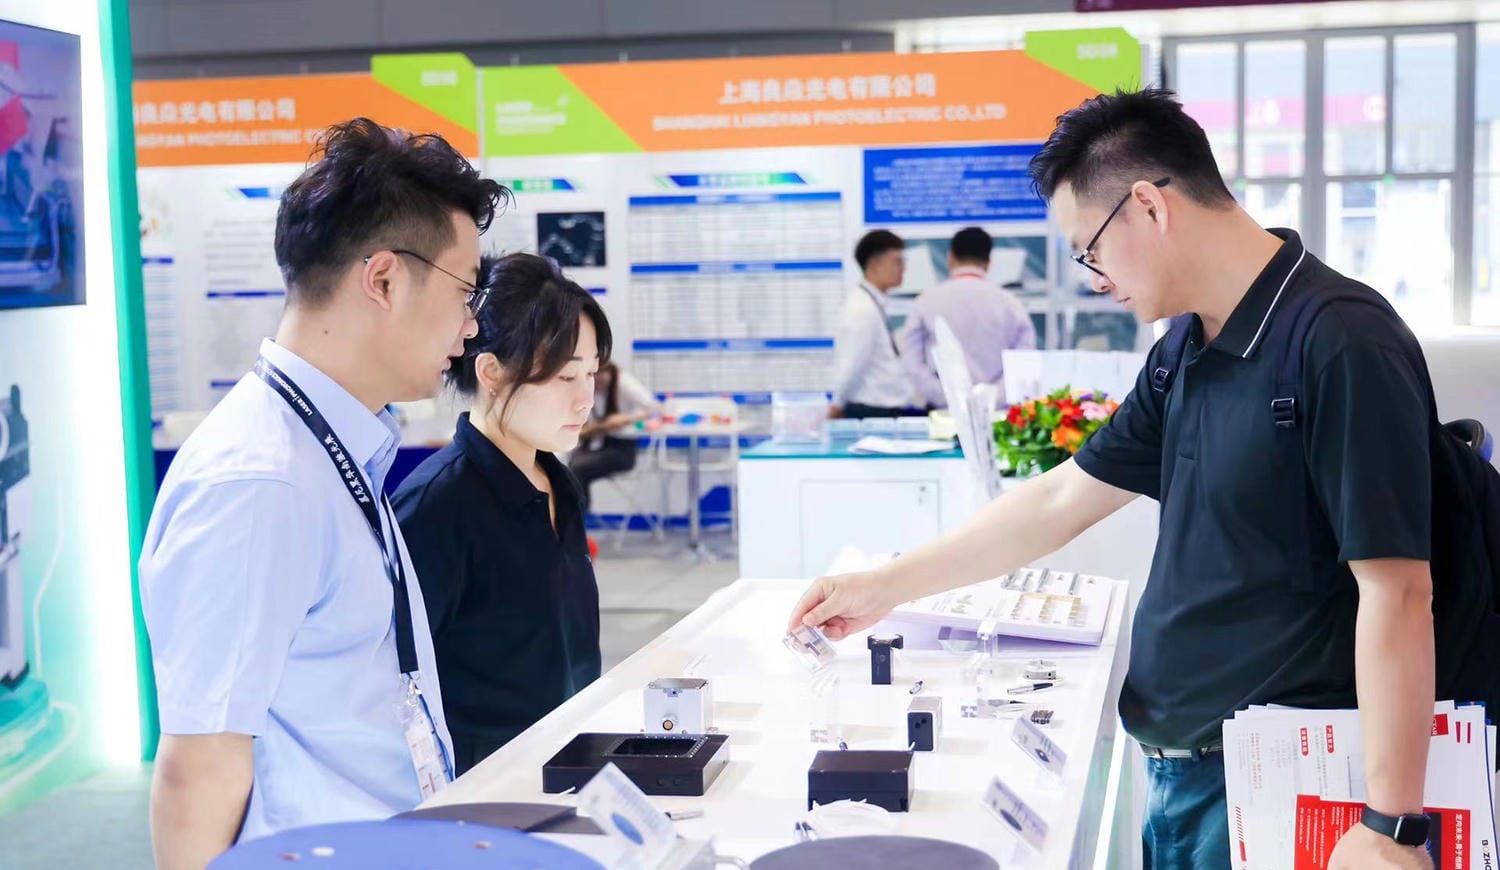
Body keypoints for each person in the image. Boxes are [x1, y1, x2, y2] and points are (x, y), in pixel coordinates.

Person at [789, 89, 1440, 870]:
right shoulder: (1186, 348)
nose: (1095, 278)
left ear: (1149, 206)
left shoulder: (1339, 341)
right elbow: (1063, 497)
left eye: (1090, 249)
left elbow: (1399, 589)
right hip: (1186, 773)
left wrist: (1390, 825)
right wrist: (882, 587)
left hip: (1289, 786)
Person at [140, 119, 507, 868]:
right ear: (383, 280)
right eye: (466, 291)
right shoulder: (259, 484)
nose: (472, 326)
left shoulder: (329, 449)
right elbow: (198, 770)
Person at [392, 252, 607, 776]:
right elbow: (394, 684)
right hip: (483, 792)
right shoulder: (437, 505)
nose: (585, 400)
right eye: (564, 377)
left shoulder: (558, 483)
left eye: (591, 374)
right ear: (491, 372)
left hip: (569, 767)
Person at [898, 226, 1037, 408]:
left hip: (942, 412)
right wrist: (991, 397)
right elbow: (1023, 359)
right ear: (988, 262)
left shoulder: (925, 301)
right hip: (995, 412)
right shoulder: (1010, 303)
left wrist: (947, 397)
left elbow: (912, 361)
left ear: (950, 258)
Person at [831, 229, 923, 418]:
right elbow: (851, 365)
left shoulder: (872, 303)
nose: (904, 268)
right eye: (897, 261)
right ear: (875, 265)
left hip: (884, 410)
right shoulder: (861, 309)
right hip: (872, 412)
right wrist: (836, 406)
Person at [570, 361, 658, 516]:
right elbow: (583, 431)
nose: (599, 379)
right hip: (597, 444)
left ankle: (578, 518)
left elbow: (655, 408)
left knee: (578, 469)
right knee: (567, 468)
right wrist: (601, 427)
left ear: (611, 372)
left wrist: (627, 419)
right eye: (594, 375)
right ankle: (574, 517)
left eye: (602, 374)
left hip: (622, 449)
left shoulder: (624, 384)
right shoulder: (585, 390)